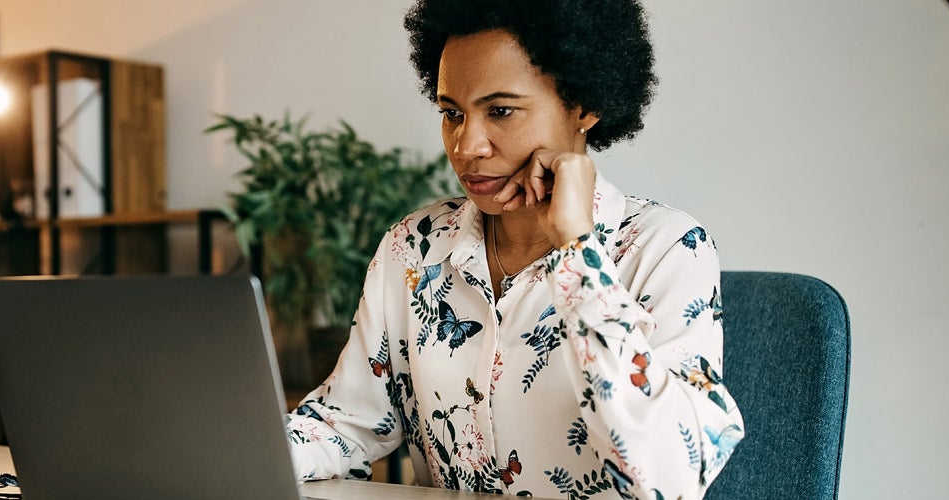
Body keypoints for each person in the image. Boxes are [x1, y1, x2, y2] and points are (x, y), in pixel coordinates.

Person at [284, 1, 745, 498]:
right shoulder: (414, 247)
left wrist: (578, 250)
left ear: (583, 106)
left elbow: (668, 475)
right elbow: (346, 422)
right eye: (452, 114)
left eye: (500, 111)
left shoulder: (667, 248)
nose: (466, 146)